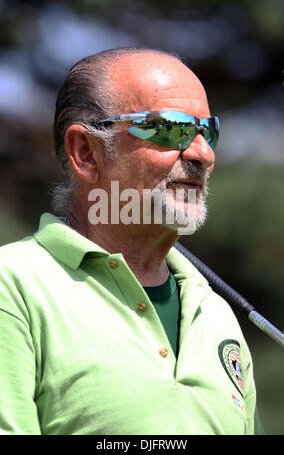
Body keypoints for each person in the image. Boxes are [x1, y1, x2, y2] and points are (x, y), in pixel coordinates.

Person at [0, 47, 263, 435]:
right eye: (171, 128)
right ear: (86, 153)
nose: (203, 154)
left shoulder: (215, 310)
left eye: (209, 131)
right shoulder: (12, 286)